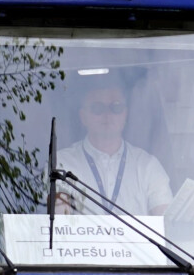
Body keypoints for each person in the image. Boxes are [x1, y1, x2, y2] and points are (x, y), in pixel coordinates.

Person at [56, 80, 172, 216]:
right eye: (97, 108)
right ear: (83, 117)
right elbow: (59, 225)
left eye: (116, 108)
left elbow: (164, 225)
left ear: (125, 114)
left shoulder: (147, 166)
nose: (107, 115)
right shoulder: (62, 164)